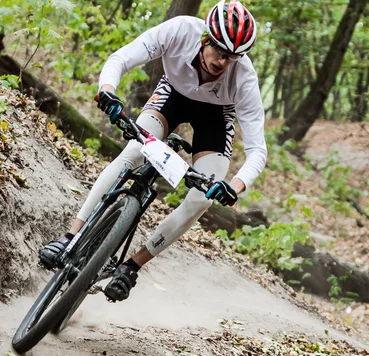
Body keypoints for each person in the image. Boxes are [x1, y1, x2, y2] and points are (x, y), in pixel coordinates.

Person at [39, 0, 267, 302]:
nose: (223, 62)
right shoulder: (180, 30)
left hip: (215, 117)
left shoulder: (244, 78)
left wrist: (234, 186)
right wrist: (108, 90)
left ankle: (131, 267)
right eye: (219, 51)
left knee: (201, 199)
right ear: (204, 38)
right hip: (171, 96)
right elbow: (121, 58)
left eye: (232, 57)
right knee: (133, 153)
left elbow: (257, 151)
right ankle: (70, 238)